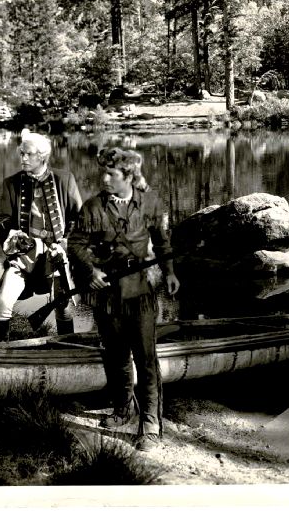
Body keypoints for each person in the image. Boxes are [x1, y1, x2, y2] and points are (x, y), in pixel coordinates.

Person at [67, 147, 180, 452]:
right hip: (107, 296)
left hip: (140, 293)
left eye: (111, 174)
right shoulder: (92, 207)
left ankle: (151, 425)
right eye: (102, 172)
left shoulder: (150, 203)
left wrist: (169, 272)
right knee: (116, 356)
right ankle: (123, 410)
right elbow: (75, 244)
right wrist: (89, 271)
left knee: (145, 359)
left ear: (128, 176)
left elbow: (162, 241)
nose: (104, 178)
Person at [0, 130, 83, 342]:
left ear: (42, 156)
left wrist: (64, 243)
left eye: (28, 154)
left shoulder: (64, 179)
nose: (22, 158)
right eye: (21, 153)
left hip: (58, 253)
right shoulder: (11, 183)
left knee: (64, 308)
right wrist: (12, 235)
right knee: (3, 302)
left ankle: (66, 352)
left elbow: (79, 219)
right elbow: (2, 219)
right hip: (24, 253)